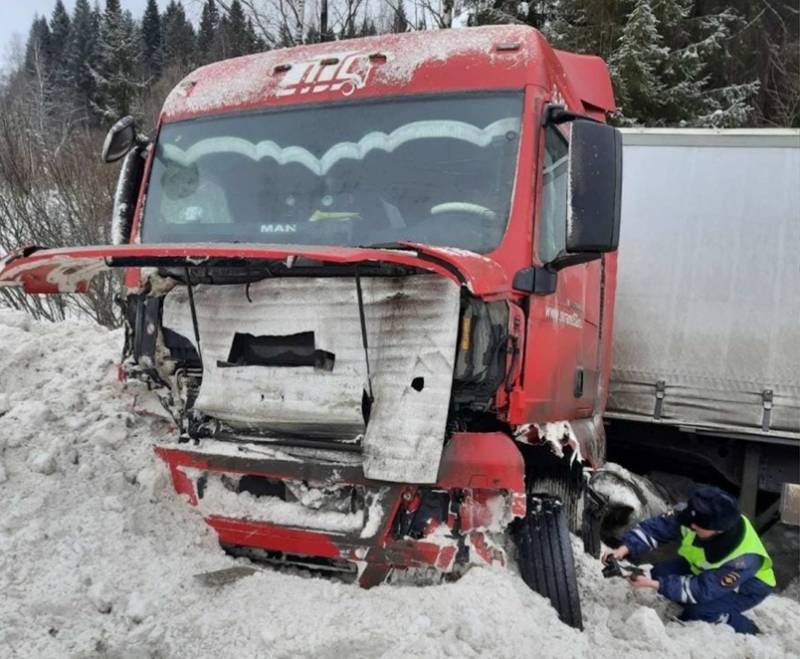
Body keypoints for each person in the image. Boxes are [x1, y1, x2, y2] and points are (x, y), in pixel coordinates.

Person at [603, 485, 775, 635]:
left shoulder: (743, 559)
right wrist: (624, 549)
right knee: (659, 573)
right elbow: (657, 529)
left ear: (718, 530)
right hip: (700, 568)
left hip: (745, 588)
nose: (691, 526)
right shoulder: (696, 516)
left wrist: (654, 585)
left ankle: (742, 626)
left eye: (698, 527)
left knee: (697, 611)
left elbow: (702, 588)